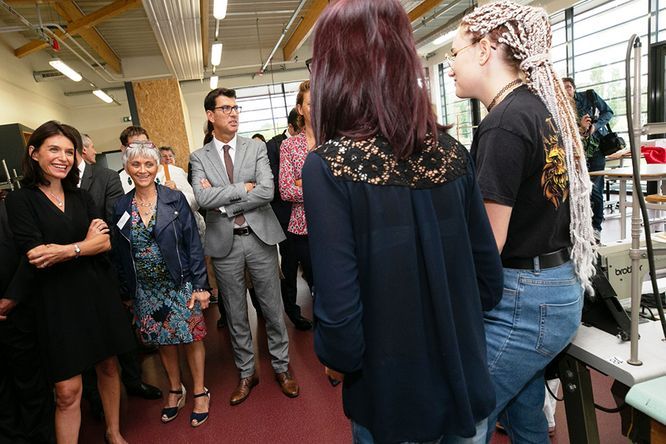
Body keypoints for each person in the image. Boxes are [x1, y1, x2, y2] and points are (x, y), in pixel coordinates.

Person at [302, 0, 504, 442]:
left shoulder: (329, 168)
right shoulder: (453, 153)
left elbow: (339, 319)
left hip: (392, 401)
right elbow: (488, 282)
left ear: (335, 70)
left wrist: (337, 355)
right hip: (465, 387)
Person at [448, 1, 596, 442]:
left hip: (524, 300)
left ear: (485, 49)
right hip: (556, 286)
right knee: (524, 413)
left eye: (455, 53)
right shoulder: (537, 109)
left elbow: (486, 245)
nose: (450, 66)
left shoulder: (502, 125)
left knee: (467, 414)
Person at [5, 120, 135, 444]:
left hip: (97, 294)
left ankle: (113, 431)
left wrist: (64, 250)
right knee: (67, 391)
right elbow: (36, 256)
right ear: (34, 153)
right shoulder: (20, 201)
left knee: (108, 367)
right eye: (54, 149)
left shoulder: (80, 197)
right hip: (57, 303)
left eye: (68, 151)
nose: (63, 157)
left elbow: (104, 243)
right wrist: (83, 246)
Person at [191, 87, 299, 405]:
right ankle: (246, 373)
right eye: (226, 109)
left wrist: (224, 203)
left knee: (272, 308)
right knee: (236, 314)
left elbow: (267, 191)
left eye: (236, 108)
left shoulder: (255, 148)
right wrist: (242, 188)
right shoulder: (199, 157)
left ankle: (281, 368)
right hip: (224, 245)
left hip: (261, 238)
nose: (234, 113)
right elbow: (201, 197)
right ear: (211, 116)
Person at [113, 141, 211, 427]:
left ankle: (199, 391)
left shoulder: (174, 199)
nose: (142, 170)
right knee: (163, 340)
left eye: (148, 164)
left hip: (180, 283)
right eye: (136, 164)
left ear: (157, 166)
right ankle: (174, 389)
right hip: (146, 290)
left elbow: (193, 243)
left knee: (191, 337)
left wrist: (201, 286)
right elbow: (120, 253)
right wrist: (127, 292)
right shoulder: (120, 206)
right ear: (127, 168)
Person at [77, 135, 162, 420]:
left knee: (120, 332)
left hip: (106, 263)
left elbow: (118, 220)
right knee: (84, 338)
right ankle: (93, 398)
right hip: (71, 274)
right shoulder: (51, 186)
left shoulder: (104, 177)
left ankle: (133, 380)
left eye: (67, 149)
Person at [0, 190, 55, 444]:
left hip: (19, 312)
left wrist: (11, 298)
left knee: (31, 385)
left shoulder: (11, 209)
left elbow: (30, 254)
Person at [268, 108, 312, 330]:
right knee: (289, 268)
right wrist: (296, 183)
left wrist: (301, 182)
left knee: (312, 269)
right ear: (294, 124)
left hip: (307, 220)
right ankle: (292, 311)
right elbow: (279, 186)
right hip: (285, 219)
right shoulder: (275, 145)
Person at [562, 77, 615, 242]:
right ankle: (581, 227)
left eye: (569, 87)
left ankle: (596, 227)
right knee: (577, 191)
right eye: (563, 88)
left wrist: (595, 126)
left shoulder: (589, 97)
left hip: (597, 150)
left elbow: (609, 112)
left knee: (596, 190)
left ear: (574, 88)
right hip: (577, 153)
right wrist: (581, 126)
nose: (567, 90)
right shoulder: (561, 107)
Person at [279, 81, 315, 312]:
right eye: (311, 103)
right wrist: (323, 188)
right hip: (304, 228)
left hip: (338, 224)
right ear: (300, 110)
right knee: (315, 284)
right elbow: (286, 189)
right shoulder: (289, 146)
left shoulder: (337, 141)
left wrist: (304, 182)